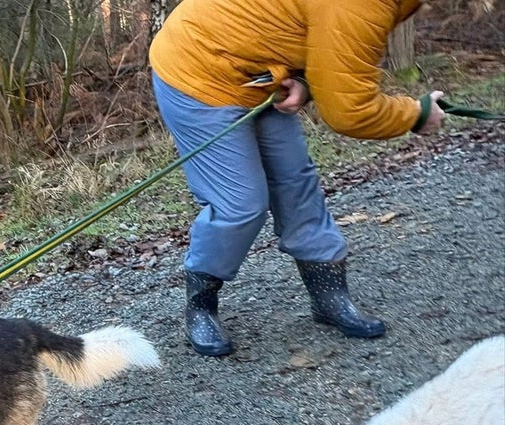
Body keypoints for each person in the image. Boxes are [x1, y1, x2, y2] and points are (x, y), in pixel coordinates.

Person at [148, 0, 446, 356]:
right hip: (197, 71)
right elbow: (349, 112)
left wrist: (305, 80)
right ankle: (200, 306)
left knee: (296, 185)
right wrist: (415, 115)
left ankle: (329, 298)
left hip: (261, 77)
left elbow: (320, 35)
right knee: (240, 204)